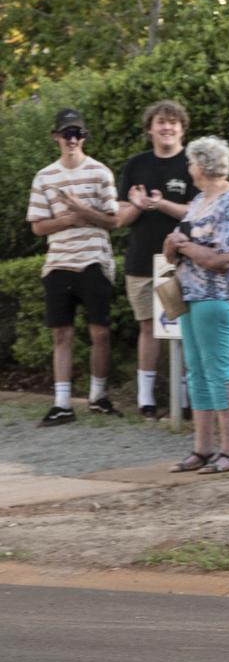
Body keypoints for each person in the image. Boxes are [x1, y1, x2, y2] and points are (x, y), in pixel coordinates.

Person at [26, 108, 120, 426]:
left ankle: (98, 396)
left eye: (78, 134)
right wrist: (68, 219)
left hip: (94, 260)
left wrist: (83, 211)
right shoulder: (45, 177)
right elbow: (37, 227)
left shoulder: (100, 173)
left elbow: (114, 220)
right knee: (61, 335)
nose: (73, 140)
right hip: (59, 263)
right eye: (67, 133)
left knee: (100, 332)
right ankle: (62, 402)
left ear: (85, 137)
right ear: (56, 137)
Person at [162, 136, 229, 474]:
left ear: (204, 164)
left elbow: (224, 257)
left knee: (217, 369)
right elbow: (175, 246)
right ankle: (202, 448)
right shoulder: (199, 200)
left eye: (191, 162)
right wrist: (175, 245)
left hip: (216, 294)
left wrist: (183, 246)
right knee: (195, 371)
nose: (188, 168)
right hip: (188, 293)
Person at [116, 100, 197, 418]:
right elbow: (120, 218)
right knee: (148, 328)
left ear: (182, 128)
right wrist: (137, 205)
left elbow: (197, 209)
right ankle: (146, 399)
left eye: (174, 122)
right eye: (161, 122)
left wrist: (161, 204)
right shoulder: (136, 165)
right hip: (140, 261)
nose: (168, 127)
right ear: (150, 128)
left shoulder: (191, 162)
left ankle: (188, 400)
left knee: (182, 328)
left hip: (178, 261)